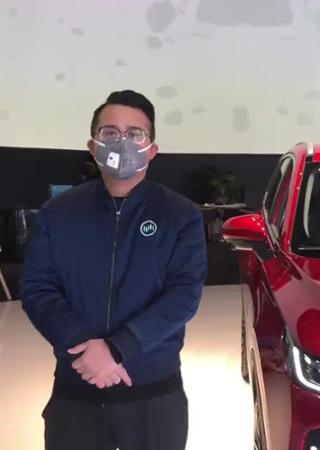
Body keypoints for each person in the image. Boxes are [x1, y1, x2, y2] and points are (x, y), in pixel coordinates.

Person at [21, 90, 207, 450]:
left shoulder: (179, 215)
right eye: (110, 132)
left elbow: (184, 295)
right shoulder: (58, 213)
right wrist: (84, 348)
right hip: (77, 389)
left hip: (154, 392)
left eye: (135, 133)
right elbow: (37, 287)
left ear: (152, 149)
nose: (122, 142)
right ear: (93, 146)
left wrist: (118, 348)